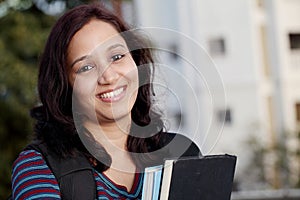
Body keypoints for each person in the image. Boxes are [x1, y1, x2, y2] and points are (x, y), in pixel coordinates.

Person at [11, 3, 201, 200]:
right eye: (85, 67)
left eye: (117, 57)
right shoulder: (38, 168)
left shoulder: (183, 156)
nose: (108, 77)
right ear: (64, 86)